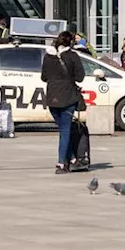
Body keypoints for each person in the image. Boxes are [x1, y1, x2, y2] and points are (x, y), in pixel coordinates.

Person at [41, 31, 86, 174]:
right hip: (68, 96)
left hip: (52, 97)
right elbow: (80, 77)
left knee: (63, 130)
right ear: (71, 42)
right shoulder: (72, 56)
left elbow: (44, 77)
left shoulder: (48, 57)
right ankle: (61, 164)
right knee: (65, 131)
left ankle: (72, 159)